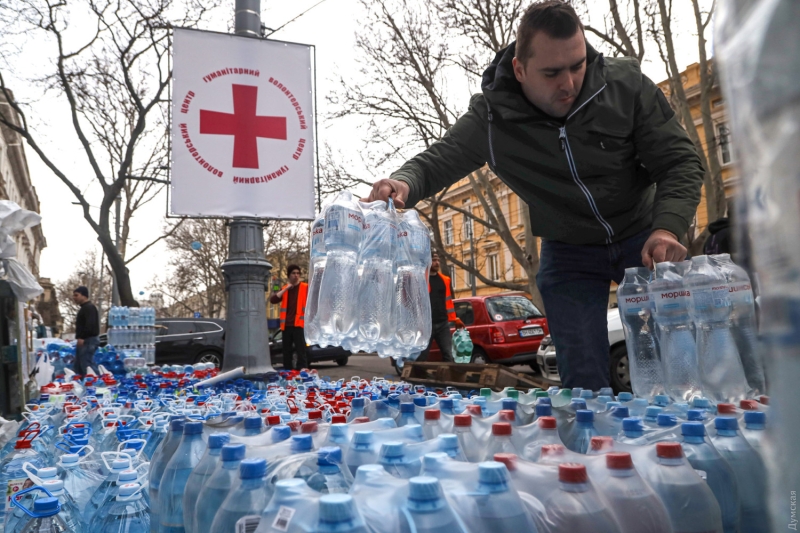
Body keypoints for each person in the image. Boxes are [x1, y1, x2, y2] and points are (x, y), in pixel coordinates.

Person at [365, 1, 704, 390]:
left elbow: (680, 162)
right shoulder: (492, 119)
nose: (570, 83)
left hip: (645, 235)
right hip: (570, 248)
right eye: (552, 72)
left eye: (578, 65)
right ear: (520, 70)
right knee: (582, 379)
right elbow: (437, 161)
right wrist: (402, 182)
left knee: (678, 369)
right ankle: (594, 439)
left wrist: (668, 228)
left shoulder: (624, 86)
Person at [419, 252, 465, 362]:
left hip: (442, 324)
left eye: (438, 260)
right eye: (434, 260)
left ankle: (448, 377)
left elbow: (448, 302)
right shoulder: (420, 280)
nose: (437, 263)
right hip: (426, 325)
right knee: (422, 356)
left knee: (449, 354)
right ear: (427, 262)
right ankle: (418, 377)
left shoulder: (445, 280)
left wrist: (455, 318)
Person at [270, 264, 308, 370]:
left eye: (298, 273)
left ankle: (303, 372)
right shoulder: (284, 289)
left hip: (299, 325)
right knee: (286, 352)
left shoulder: (305, 287)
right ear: (289, 275)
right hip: (286, 326)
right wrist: (285, 289)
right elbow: (273, 300)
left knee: (301, 351)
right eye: (293, 273)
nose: (296, 275)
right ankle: (288, 372)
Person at [72, 286, 99, 376]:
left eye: (76, 295)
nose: (74, 298)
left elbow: (90, 325)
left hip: (88, 340)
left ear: (84, 296)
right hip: (86, 340)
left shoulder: (89, 308)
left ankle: (95, 383)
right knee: (81, 366)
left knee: (87, 366)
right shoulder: (85, 308)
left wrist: (82, 337)